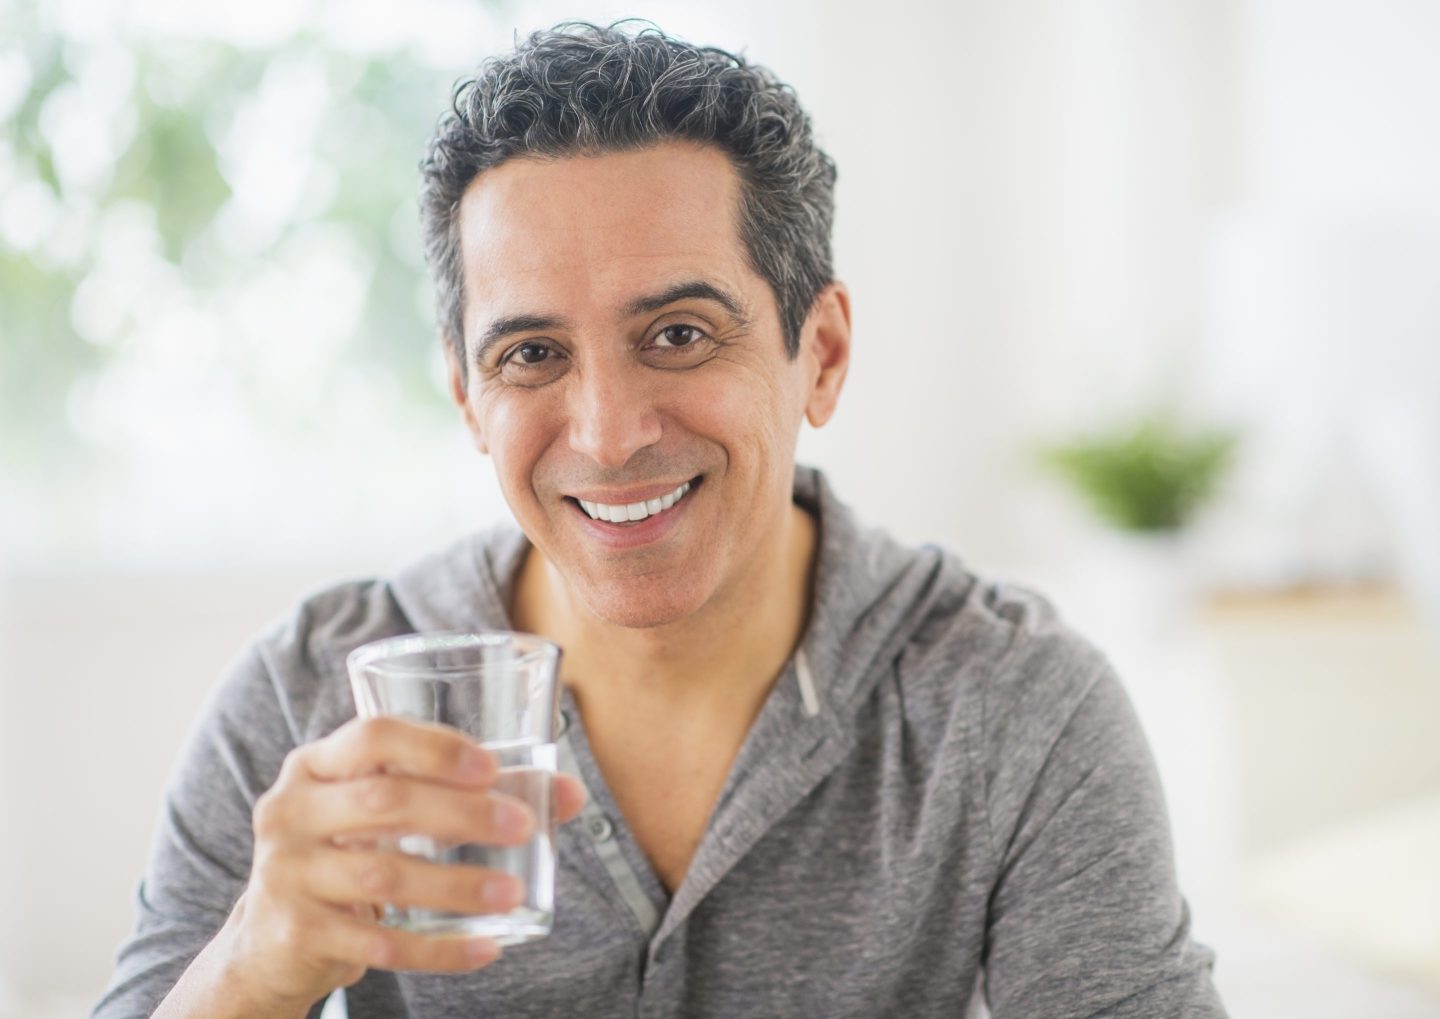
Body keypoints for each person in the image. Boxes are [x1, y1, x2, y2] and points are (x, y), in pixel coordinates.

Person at [94, 21, 1227, 1019]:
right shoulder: (309, 700)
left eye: (679, 333)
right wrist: (251, 963)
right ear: (468, 401)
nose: (608, 430)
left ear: (819, 354)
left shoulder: (1017, 710)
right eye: (532, 354)